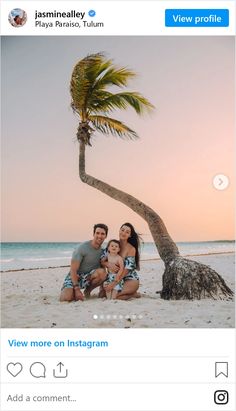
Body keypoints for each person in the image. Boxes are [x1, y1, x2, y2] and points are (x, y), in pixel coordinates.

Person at [60, 223, 108, 302]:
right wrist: (76, 289)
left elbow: (103, 269)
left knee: (102, 273)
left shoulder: (103, 251)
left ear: (105, 236)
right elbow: (73, 270)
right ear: (93, 234)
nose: (100, 236)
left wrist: (102, 287)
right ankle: (69, 289)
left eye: (102, 234)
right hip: (75, 277)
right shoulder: (82, 247)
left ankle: (87, 291)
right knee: (66, 298)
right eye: (97, 233)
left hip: (88, 278)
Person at [101, 223, 141, 300]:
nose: (124, 233)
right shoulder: (113, 245)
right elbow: (102, 260)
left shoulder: (131, 249)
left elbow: (127, 269)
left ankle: (134, 294)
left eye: (127, 232)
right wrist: (108, 264)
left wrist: (114, 283)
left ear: (130, 235)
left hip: (129, 279)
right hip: (112, 277)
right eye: (122, 230)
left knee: (115, 296)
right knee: (103, 295)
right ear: (119, 230)